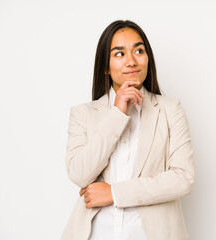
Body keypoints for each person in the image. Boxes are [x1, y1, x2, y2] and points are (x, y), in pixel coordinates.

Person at [61, 20, 195, 240]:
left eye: (139, 51)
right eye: (119, 54)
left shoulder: (170, 110)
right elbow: (79, 173)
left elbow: (183, 178)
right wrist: (117, 114)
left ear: (147, 58)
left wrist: (114, 193)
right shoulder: (82, 114)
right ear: (105, 65)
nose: (131, 61)